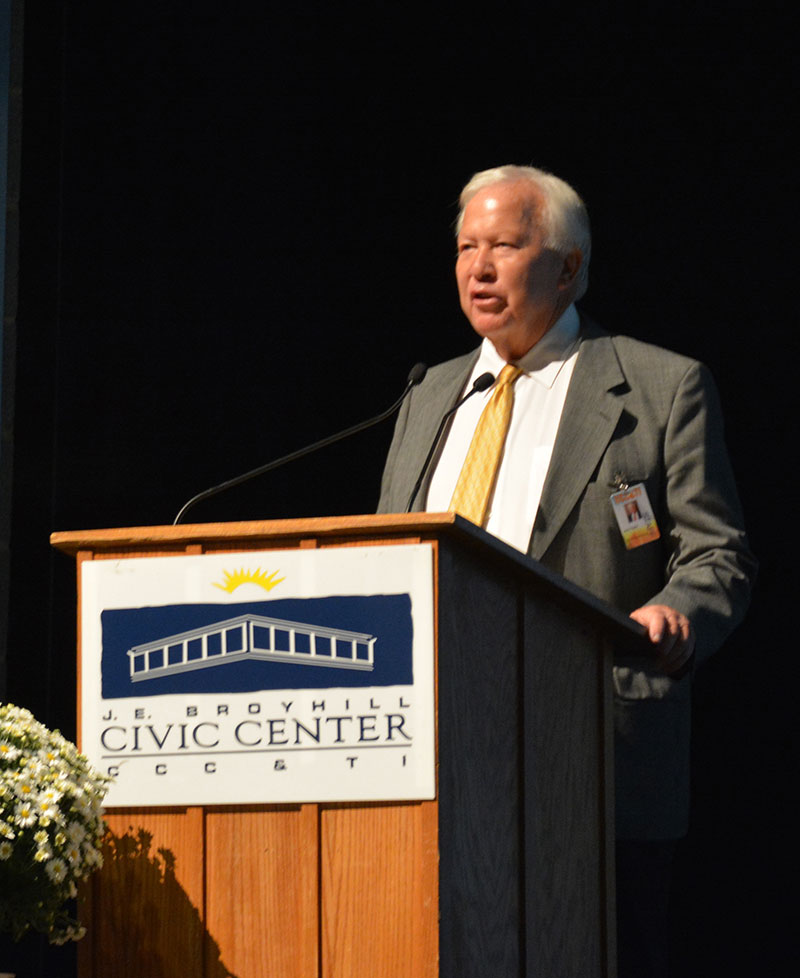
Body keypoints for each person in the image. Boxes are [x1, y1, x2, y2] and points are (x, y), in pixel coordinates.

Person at [377, 164, 757, 977]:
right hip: (434, 753)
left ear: (568, 267)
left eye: (505, 246)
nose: (479, 268)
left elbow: (718, 553)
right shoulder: (427, 396)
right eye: (466, 248)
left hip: (596, 756)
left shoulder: (659, 387)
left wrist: (677, 611)